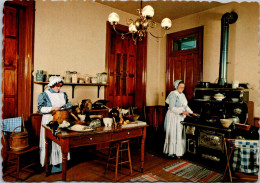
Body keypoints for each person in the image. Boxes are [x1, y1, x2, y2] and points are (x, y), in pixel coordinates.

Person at [38, 76, 70, 173]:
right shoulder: (44, 94)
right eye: (57, 86)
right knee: (50, 142)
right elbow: (41, 109)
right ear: (51, 85)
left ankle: (61, 163)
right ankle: (49, 164)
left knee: (61, 141)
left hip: (61, 119)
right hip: (49, 119)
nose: (59, 88)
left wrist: (66, 107)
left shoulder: (63, 94)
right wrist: (52, 108)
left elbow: (65, 105)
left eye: (60, 86)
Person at [163, 80, 197, 158]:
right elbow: (172, 108)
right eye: (180, 86)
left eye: (183, 87)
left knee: (179, 133)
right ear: (176, 86)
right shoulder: (173, 94)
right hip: (173, 116)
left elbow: (185, 106)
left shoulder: (182, 95)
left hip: (180, 116)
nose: (182, 88)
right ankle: (171, 152)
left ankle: (178, 152)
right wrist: (182, 111)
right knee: (173, 133)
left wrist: (191, 112)